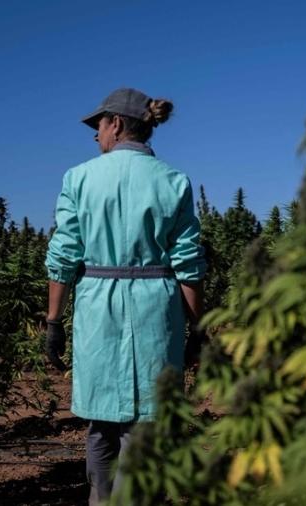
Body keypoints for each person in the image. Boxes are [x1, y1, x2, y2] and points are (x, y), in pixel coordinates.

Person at [44, 88, 205, 504]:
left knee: (101, 424)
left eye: (98, 126)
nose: (96, 136)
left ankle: (102, 498)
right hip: (157, 307)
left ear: (115, 124)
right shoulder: (174, 181)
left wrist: (53, 323)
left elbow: (63, 255)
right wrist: (196, 330)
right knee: (145, 424)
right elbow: (188, 262)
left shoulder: (78, 178)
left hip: (99, 306)